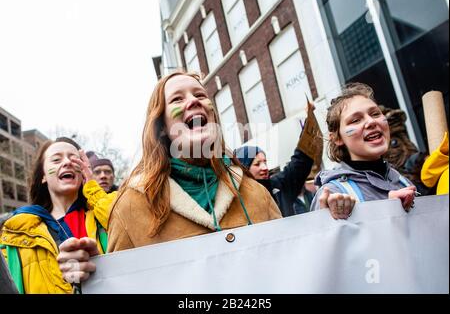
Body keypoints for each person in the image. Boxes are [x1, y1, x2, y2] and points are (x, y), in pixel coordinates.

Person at [57, 71, 282, 283]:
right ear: (162, 127)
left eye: (200, 95)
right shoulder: (130, 206)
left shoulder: (256, 194)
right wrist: (96, 272)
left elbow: (289, 261)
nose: (193, 101)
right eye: (176, 99)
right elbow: (122, 285)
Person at [0, 137, 111, 293]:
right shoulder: (15, 233)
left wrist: (93, 189)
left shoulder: (105, 213)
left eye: (74, 159)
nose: (67, 162)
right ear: (43, 176)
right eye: (56, 159)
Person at [309, 83, 417, 219]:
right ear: (337, 138)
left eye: (375, 114)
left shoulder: (403, 182)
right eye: (355, 120)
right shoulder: (332, 195)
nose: (371, 122)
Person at [234, 137, 314, 217]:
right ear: (245, 169)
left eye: (265, 162)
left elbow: (300, 164)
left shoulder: (278, 185)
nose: (265, 168)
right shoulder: (238, 201)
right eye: (257, 164)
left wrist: (309, 135)